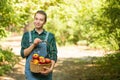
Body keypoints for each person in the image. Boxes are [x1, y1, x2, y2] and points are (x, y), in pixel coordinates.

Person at [20, 10, 57, 80]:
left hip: (46, 71)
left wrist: (51, 69)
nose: (38, 22)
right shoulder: (27, 35)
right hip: (30, 73)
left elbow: (53, 54)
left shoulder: (50, 36)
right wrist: (33, 45)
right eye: (36, 19)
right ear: (34, 19)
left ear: (44, 22)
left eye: (41, 20)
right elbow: (23, 54)